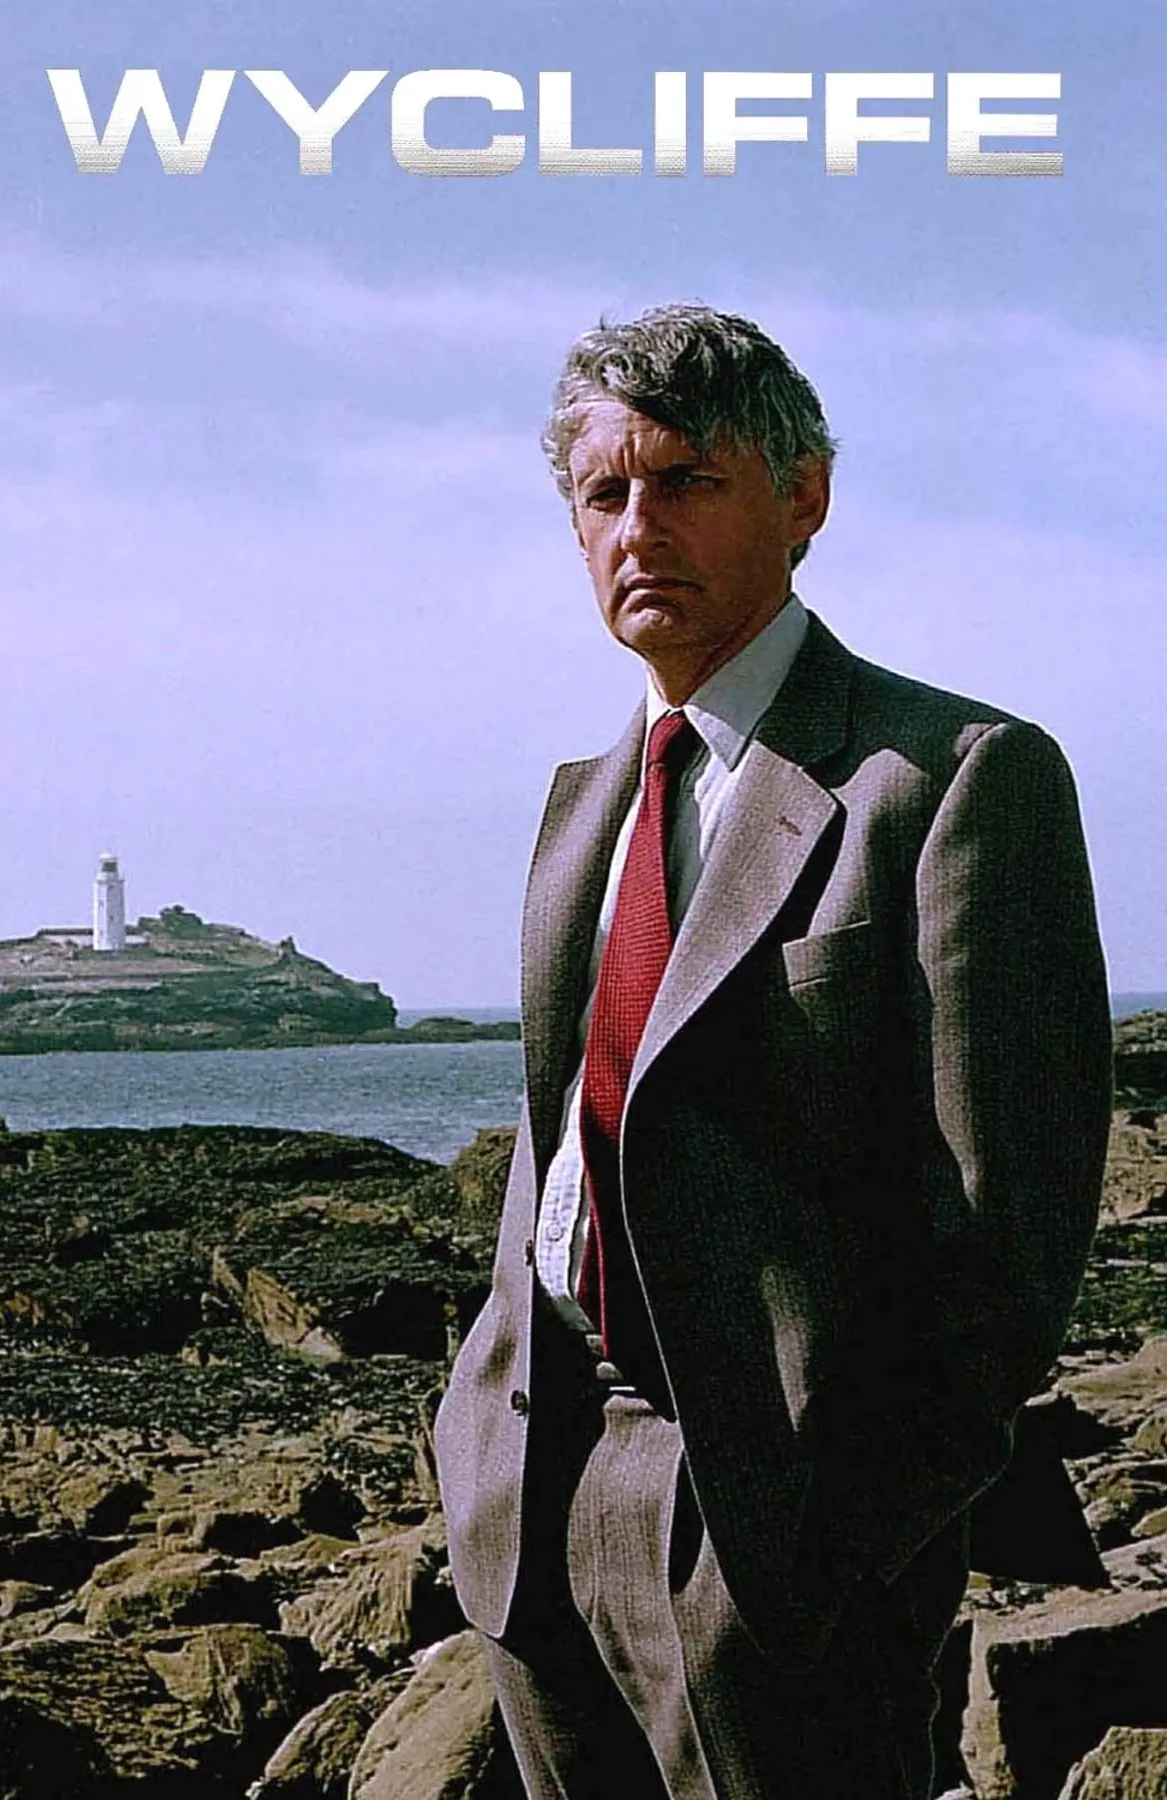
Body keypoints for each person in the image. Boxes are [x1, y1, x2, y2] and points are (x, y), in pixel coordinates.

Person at [434, 303, 1112, 1799]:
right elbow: (562, 1141)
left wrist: (852, 1532)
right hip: (531, 1496)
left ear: (803, 498)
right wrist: (473, 1440)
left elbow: (1009, 1229)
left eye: (687, 480)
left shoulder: (949, 781)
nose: (638, 528)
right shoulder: (585, 801)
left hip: (773, 1537)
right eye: (603, 494)